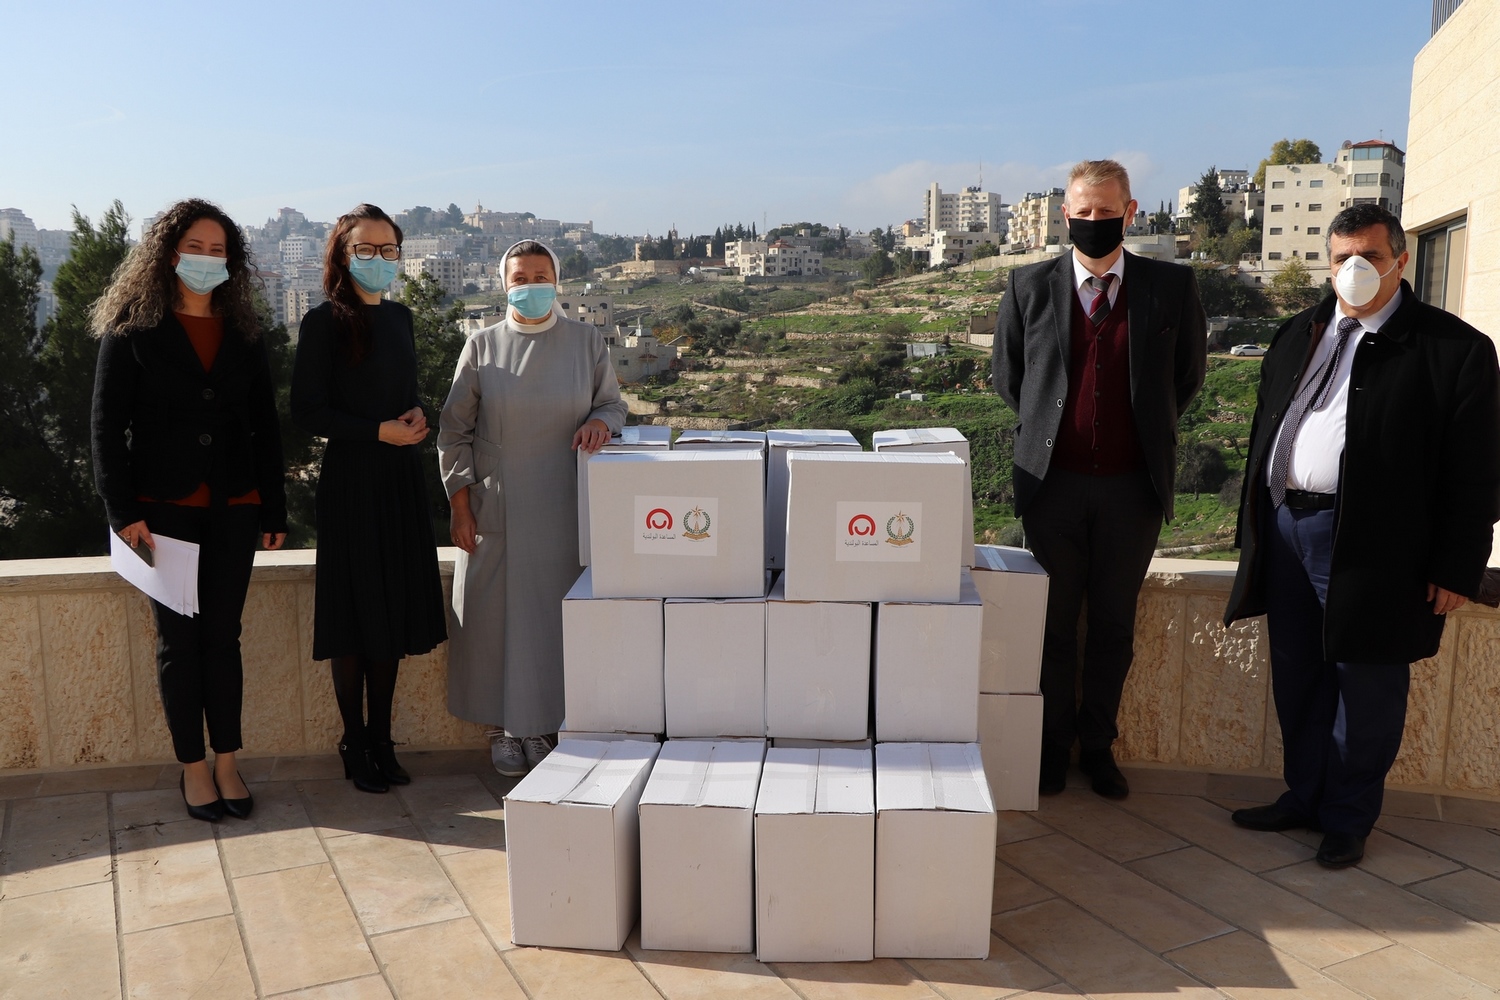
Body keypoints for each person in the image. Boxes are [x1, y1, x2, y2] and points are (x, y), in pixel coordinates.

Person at [1223, 203, 1500, 868]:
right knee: (1297, 674)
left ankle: (1348, 819)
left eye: (1370, 258)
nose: (1353, 270)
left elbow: (1477, 469)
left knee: (1366, 681)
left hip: (1378, 546)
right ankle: (1305, 797)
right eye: (1341, 256)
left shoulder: (1452, 350)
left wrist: (1458, 565)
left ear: (1400, 261)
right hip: (1288, 527)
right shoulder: (1301, 331)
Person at [993, 159, 1207, 800]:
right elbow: (1011, 381)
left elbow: (1186, 381)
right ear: (1065, 214)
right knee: (1055, 629)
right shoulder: (1027, 286)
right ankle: (1052, 749)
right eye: (1082, 212)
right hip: (1051, 487)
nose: (1094, 221)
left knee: (1113, 628)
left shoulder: (1170, 288)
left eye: (1105, 210)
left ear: (1130, 211)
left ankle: (1099, 748)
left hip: (1130, 491)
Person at [91, 198, 287, 822]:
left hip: (234, 505)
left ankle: (228, 763)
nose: (207, 260)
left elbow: (265, 426)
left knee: (222, 639)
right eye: (195, 248)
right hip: (160, 512)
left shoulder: (245, 333)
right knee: (179, 643)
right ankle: (193, 769)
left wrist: (273, 509)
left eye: (218, 250)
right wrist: (123, 512)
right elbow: (104, 428)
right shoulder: (132, 331)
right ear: (167, 254)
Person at [438, 239, 626, 776]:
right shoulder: (481, 346)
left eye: (541, 275)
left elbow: (612, 403)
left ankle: (543, 726)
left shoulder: (586, 341)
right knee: (494, 621)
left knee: (549, 622)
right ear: (504, 284)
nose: (531, 286)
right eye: (520, 277)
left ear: (557, 282)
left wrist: (600, 423)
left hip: (564, 507)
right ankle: (503, 728)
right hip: (495, 508)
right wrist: (459, 505)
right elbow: (453, 433)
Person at [291, 204, 448, 794]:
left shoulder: (403, 319)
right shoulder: (323, 322)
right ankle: (354, 742)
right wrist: (377, 430)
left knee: (393, 612)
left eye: (389, 250)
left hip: (401, 480)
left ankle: (383, 738)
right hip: (353, 479)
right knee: (357, 616)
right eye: (367, 249)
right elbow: (307, 410)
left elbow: (401, 391)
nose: (379, 260)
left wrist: (414, 415)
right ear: (342, 253)